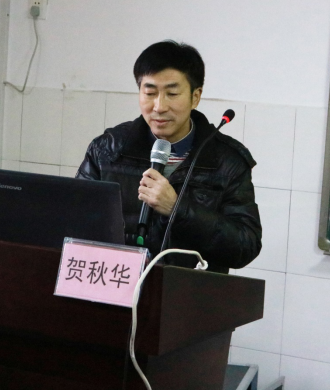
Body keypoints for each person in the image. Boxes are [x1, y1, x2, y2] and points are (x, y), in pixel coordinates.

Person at [76, 41, 261, 273]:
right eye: (150, 93)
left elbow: (245, 246)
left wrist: (178, 209)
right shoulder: (107, 149)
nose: (159, 106)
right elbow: (74, 222)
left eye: (172, 94)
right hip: (116, 282)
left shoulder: (227, 161)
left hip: (190, 291)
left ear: (195, 97)